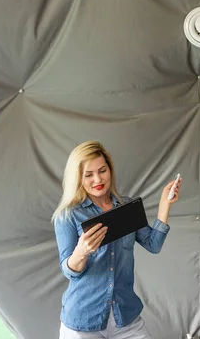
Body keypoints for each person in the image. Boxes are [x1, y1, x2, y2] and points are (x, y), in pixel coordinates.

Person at [52, 141, 181, 338]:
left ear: (110, 170)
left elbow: (153, 244)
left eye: (102, 170)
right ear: (78, 178)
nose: (98, 179)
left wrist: (165, 205)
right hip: (83, 321)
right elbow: (69, 271)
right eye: (88, 174)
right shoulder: (68, 216)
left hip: (125, 317)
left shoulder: (126, 207)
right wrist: (81, 252)